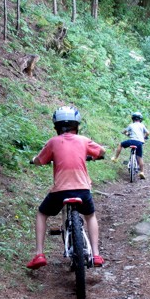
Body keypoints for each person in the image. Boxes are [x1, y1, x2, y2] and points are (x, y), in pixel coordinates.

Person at [26, 106, 106, 270]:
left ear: (56, 127)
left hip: (60, 191)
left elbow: (40, 160)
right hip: (82, 190)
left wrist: (34, 160)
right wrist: (93, 156)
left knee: (42, 214)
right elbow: (101, 151)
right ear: (77, 125)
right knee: (90, 216)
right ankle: (96, 254)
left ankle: (39, 254)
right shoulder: (83, 140)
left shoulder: (53, 142)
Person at [110, 111, 150, 179]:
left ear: (133, 119)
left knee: (120, 145)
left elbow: (125, 131)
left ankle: (115, 158)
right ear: (140, 119)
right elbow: (148, 132)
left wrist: (124, 132)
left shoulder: (131, 125)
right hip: (139, 143)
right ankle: (142, 172)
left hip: (131, 141)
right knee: (139, 157)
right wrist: (144, 137)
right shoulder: (142, 125)